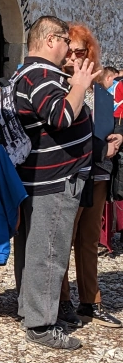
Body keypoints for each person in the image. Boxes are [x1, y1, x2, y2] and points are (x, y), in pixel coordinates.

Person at [14, 15, 100, 350]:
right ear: (51, 39)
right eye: (65, 41)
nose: (69, 50)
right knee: (49, 251)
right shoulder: (41, 76)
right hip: (54, 178)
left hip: (44, 177)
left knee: (36, 248)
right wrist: (79, 84)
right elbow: (60, 116)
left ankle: (33, 309)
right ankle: (41, 325)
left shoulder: (31, 74)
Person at [58, 25, 122, 328]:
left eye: (79, 51)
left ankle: (90, 300)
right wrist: (100, 149)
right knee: (62, 239)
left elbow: (112, 124)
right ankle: (61, 301)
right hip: (71, 174)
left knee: (87, 239)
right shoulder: (59, 86)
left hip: (98, 175)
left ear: (90, 53)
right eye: (69, 50)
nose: (73, 56)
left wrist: (118, 138)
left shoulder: (101, 92)